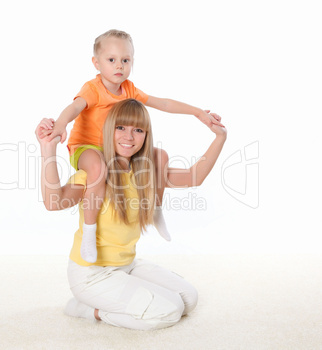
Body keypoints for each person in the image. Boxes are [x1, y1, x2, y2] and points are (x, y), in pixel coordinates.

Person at [35, 99, 227, 331]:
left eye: (137, 130)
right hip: (91, 275)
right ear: (109, 130)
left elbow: (194, 176)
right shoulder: (95, 174)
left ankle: (121, 296)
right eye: (121, 128)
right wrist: (48, 150)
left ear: (146, 135)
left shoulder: (144, 172)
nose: (129, 137)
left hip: (127, 265)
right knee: (169, 311)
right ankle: (88, 310)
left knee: (188, 298)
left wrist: (220, 138)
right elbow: (53, 202)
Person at [42, 29, 224, 263]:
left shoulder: (128, 88)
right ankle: (89, 231)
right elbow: (75, 108)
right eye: (111, 60)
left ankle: (155, 210)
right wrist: (60, 124)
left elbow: (164, 103)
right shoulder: (93, 89)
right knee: (97, 169)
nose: (119, 66)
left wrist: (198, 112)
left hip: (111, 150)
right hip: (86, 148)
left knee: (160, 156)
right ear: (96, 63)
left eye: (125, 60)